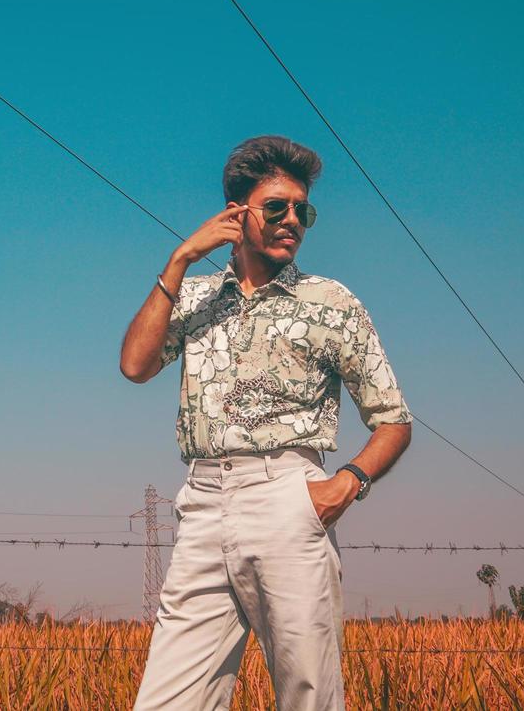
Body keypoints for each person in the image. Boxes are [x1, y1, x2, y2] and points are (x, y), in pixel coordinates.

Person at [121, 135, 412, 710]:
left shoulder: (331, 302)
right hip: (203, 503)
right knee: (167, 701)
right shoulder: (195, 298)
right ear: (237, 213)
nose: (292, 221)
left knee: (307, 696)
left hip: (290, 498)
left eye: (302, 210)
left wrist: (343, 487)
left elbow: (393, 420)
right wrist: (179, 260)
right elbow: (135, 366)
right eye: (276, 207)